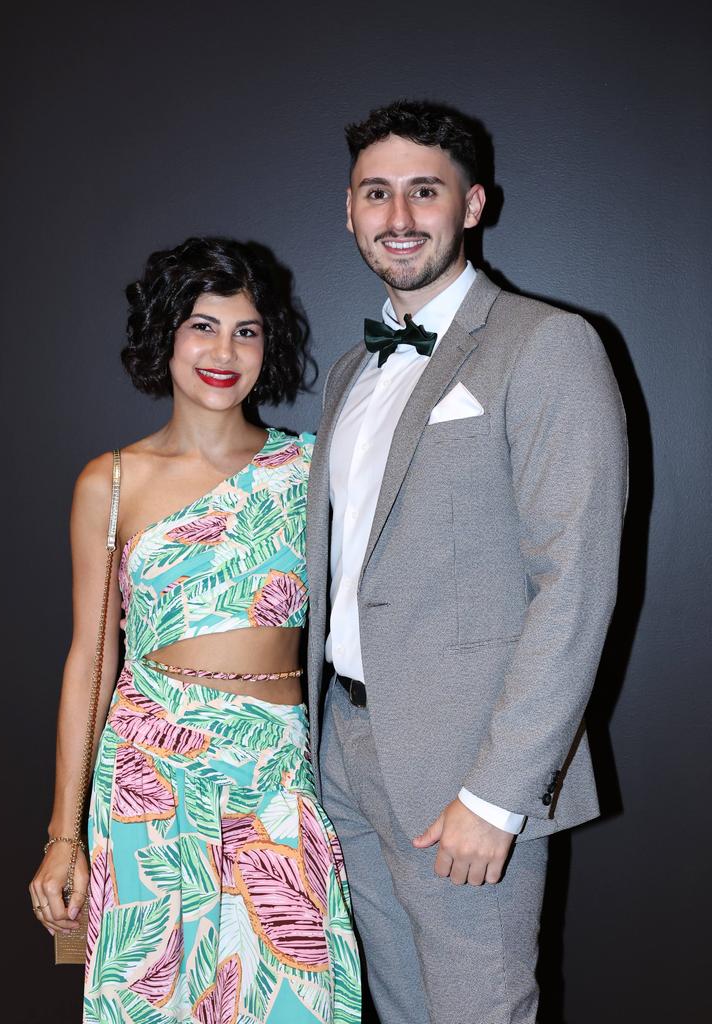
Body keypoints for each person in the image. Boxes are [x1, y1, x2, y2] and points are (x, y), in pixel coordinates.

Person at [305, 100, 628, 1024]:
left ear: (473, 204)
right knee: (403, 1007)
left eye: (424, 191)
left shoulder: (547, 344)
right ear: (351, 210)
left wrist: (500, 794)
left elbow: (576, 582)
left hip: (467, 764)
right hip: (345, 748)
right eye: (377, 193)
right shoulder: (348, 376)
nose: (398, 216)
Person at [30, 237, 361, 1023]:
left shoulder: (313, 469)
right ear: (165, 338)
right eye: (201, 327)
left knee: (293, 996)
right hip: (149, 772)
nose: (224, 351)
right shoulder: (111, 482)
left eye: (246, 330)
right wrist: (62, 836)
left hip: (275, 766)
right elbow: (91, 659)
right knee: (154, 998)